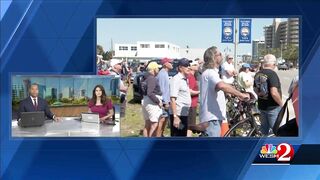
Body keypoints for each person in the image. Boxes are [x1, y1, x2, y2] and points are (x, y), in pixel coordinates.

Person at [200, 46, 249, 137]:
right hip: (212, 118)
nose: (222, 56)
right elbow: (221, 85)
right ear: (213, 57)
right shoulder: (210, 73)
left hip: (213, 117)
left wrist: (233, 90)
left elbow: (220, 86)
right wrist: (240, 94)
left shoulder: (210, 73)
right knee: (213, 149)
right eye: (220, 54)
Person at [254, 54, 283, 136]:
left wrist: (262, 95)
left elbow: (255, 89)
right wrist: (281, 104)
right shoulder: (272, 74)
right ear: (273, 64)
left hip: (262, 106)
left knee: (264, 132)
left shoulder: (258, 73)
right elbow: (274, 92)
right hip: (272, 107)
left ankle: (263, 147)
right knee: (276, 132)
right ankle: (275, 148)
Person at [169, 58, 192, 137]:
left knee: (182, 136)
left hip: (184, 113)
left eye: (189, 65)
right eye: (186, 65)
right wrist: (175, 117)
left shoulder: (185, 79)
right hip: (178, 115)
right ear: (180, 68)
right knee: (177, 139)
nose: (188, 67)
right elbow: (172, 99)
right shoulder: (176, 79)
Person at [141, 62, 164, 137]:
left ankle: (145, 142)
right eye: (157, 68)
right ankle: (151, 143)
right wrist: (158, 101)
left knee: (147, 124)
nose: (158, 70)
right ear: (154, 69)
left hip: (145, 100)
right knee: (154, 124)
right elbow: (150, 93)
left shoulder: (144, 77)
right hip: (152, 103)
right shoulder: (151, 78)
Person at [156, 57, 173, 137]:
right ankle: (158, 137)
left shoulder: (165, 73)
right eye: (170, 62)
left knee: (165, 119)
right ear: (165, 64)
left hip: (166, 101)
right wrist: (165, 102)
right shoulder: (162, 74)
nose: (172, 63)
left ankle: (161, 135)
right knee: (162, 119)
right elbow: (162, 90)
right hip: (164, 101)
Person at [187, 60, 200, 137]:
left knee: (190, 124)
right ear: (191, 67)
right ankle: (187, 140)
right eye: (195, 65)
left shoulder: (192, 76)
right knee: (190, 125)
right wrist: (200, 92)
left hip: (192, 103)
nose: (197, 65)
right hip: (191, 104)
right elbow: (190, 91)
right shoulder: (191, 77)